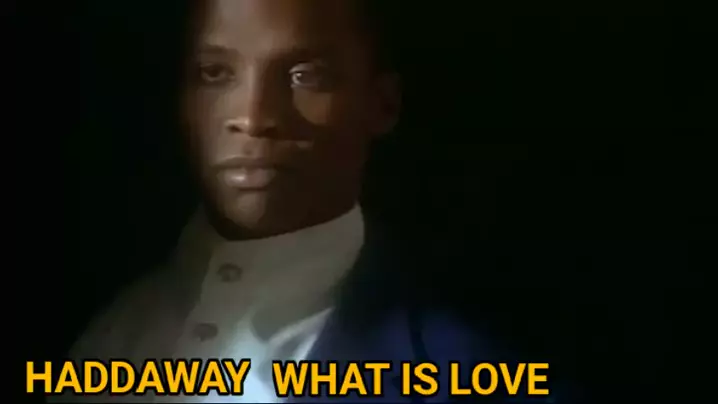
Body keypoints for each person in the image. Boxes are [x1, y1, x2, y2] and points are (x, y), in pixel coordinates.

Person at [60, 0, 572, 402]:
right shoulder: (106, 331)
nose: (253, 116)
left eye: (306, 75)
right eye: (215, 73)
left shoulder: (473, 375)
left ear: (382, 104)